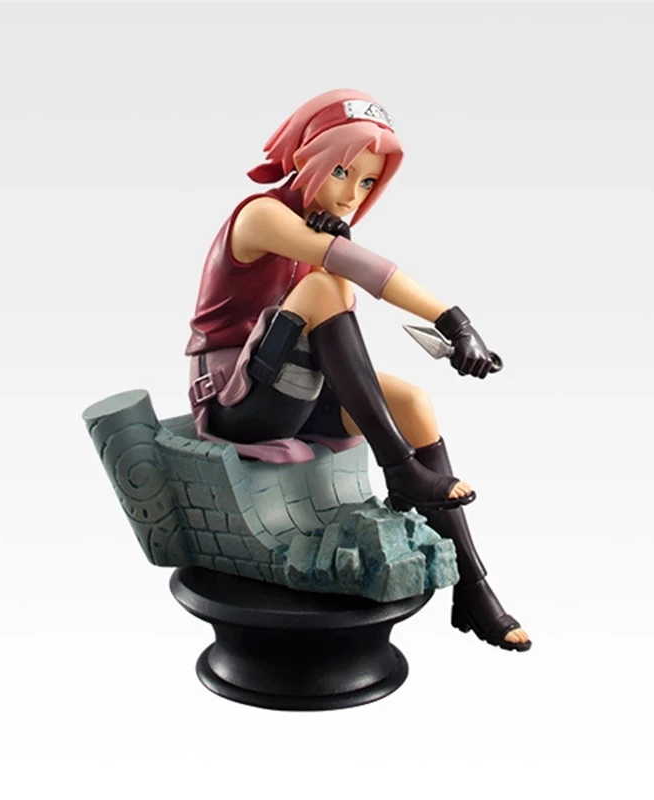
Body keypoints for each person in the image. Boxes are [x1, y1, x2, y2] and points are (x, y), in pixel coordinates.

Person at [185, 89, 531, 651]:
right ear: (306, 159)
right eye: (342, 171)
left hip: (288, 391)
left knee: (413, 403)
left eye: (368, 182)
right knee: (328, 285)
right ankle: (400, 468)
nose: (351, 194)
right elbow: (359, 272)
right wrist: (454, 320)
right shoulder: (261, 215)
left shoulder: (317, 228)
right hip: (235, 402)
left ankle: (473, 588)